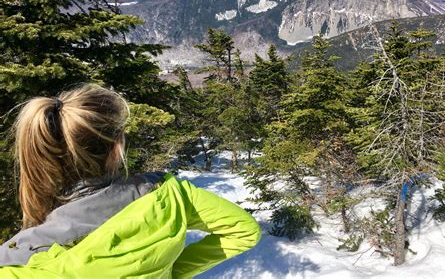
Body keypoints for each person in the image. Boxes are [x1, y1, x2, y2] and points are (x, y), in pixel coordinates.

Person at [0, 84, 261, 278]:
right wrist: (172, 271)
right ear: (117, 150)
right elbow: (245, 230)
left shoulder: (19, 260)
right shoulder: (171, 195)